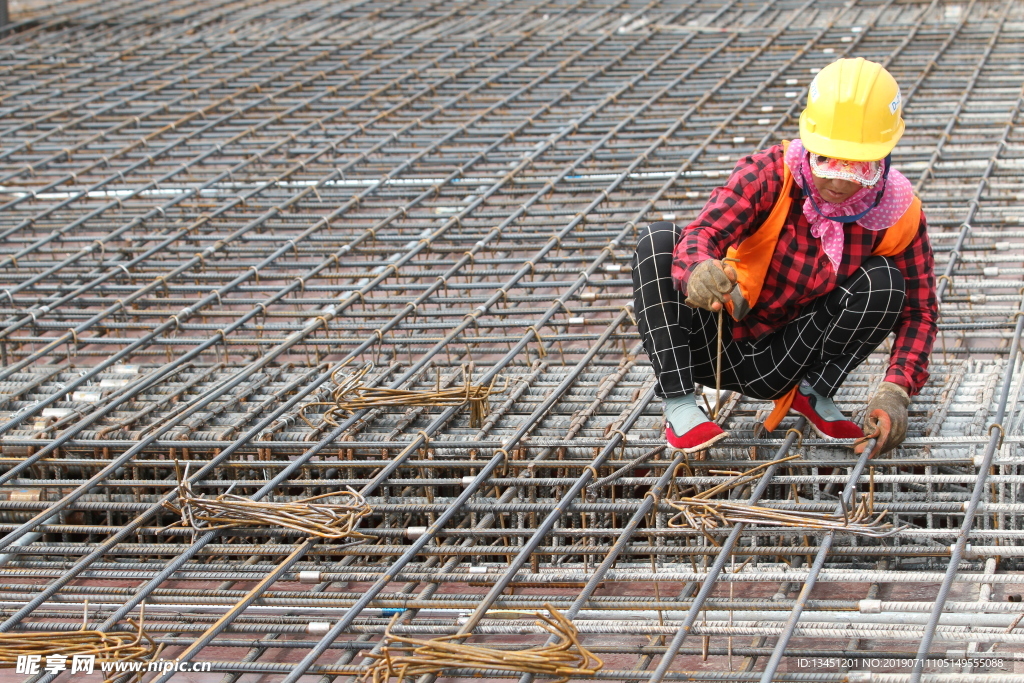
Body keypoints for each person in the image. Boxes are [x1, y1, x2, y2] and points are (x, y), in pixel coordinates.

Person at [632, 57, 936, 454]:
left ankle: (815, 392)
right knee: (658, 243)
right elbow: (702, 233)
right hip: (716, 343)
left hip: (785, 361)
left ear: (883, 157)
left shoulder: (898, 213)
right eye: (826, 158)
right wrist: (697, 270)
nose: (837, 180)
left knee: (887, 283)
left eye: (857, 166)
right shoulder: (771, 173)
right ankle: (680, 403)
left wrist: (897, 389)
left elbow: (920, 313)